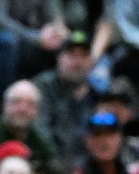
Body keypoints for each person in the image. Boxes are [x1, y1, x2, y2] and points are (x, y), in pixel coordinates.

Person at [33, 29, 94, 159]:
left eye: (84, 55)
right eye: (72, 55)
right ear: (59, 58)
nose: (78, 62)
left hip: (89, 168)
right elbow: (41, 134)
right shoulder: (44, 87)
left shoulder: (99, 94)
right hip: (54, 163)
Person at [0, 79, 56, 174]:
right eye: (16, 102)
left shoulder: (41, 142)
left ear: (37, 111)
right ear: (4, 105)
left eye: (30, 104)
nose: (23, 109)